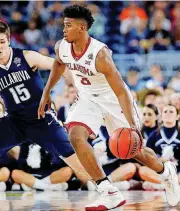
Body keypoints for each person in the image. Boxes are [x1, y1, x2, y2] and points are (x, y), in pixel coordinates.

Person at [38, 4, 180, 210]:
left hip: (113, 100)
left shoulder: (100, 54)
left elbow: (122, 91)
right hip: (87, 98)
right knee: (75, 135)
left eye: (68, 25)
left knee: (133, 151)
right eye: (64, 25)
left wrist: (133, 127)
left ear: (82, 28)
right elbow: (59, 63)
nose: (64, 29)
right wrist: (46, 92)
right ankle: (107, 190)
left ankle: (167, 172)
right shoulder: (62, 46)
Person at [0, 20, 92, 187]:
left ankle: (107, 188)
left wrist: (77, 84)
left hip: (42, 119)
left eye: (1, 42)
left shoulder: (27, 56)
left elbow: (59, 66)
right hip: (15, 121)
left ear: (8, 39)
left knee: (76, 161)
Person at [143, 104, 180, 190]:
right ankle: (170, 186)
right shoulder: (154, 135)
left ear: (177, 116)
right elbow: (147, 159)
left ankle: (164, 186)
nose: (168, 113)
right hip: (161, 171)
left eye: (171, 111)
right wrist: (160, 159)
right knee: (143, 171)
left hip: (178, 171)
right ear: (161, 116)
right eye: (165, 111)